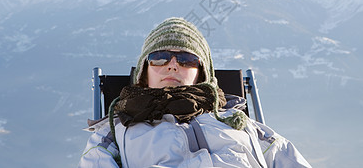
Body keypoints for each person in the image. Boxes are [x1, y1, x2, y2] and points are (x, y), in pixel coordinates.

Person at [78, 17, 312, 168]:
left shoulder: (239, 122)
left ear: (202, 73)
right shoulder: (115, 132)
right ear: (143, 72)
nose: (172, 65)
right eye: (158, 58)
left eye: (186, 59)